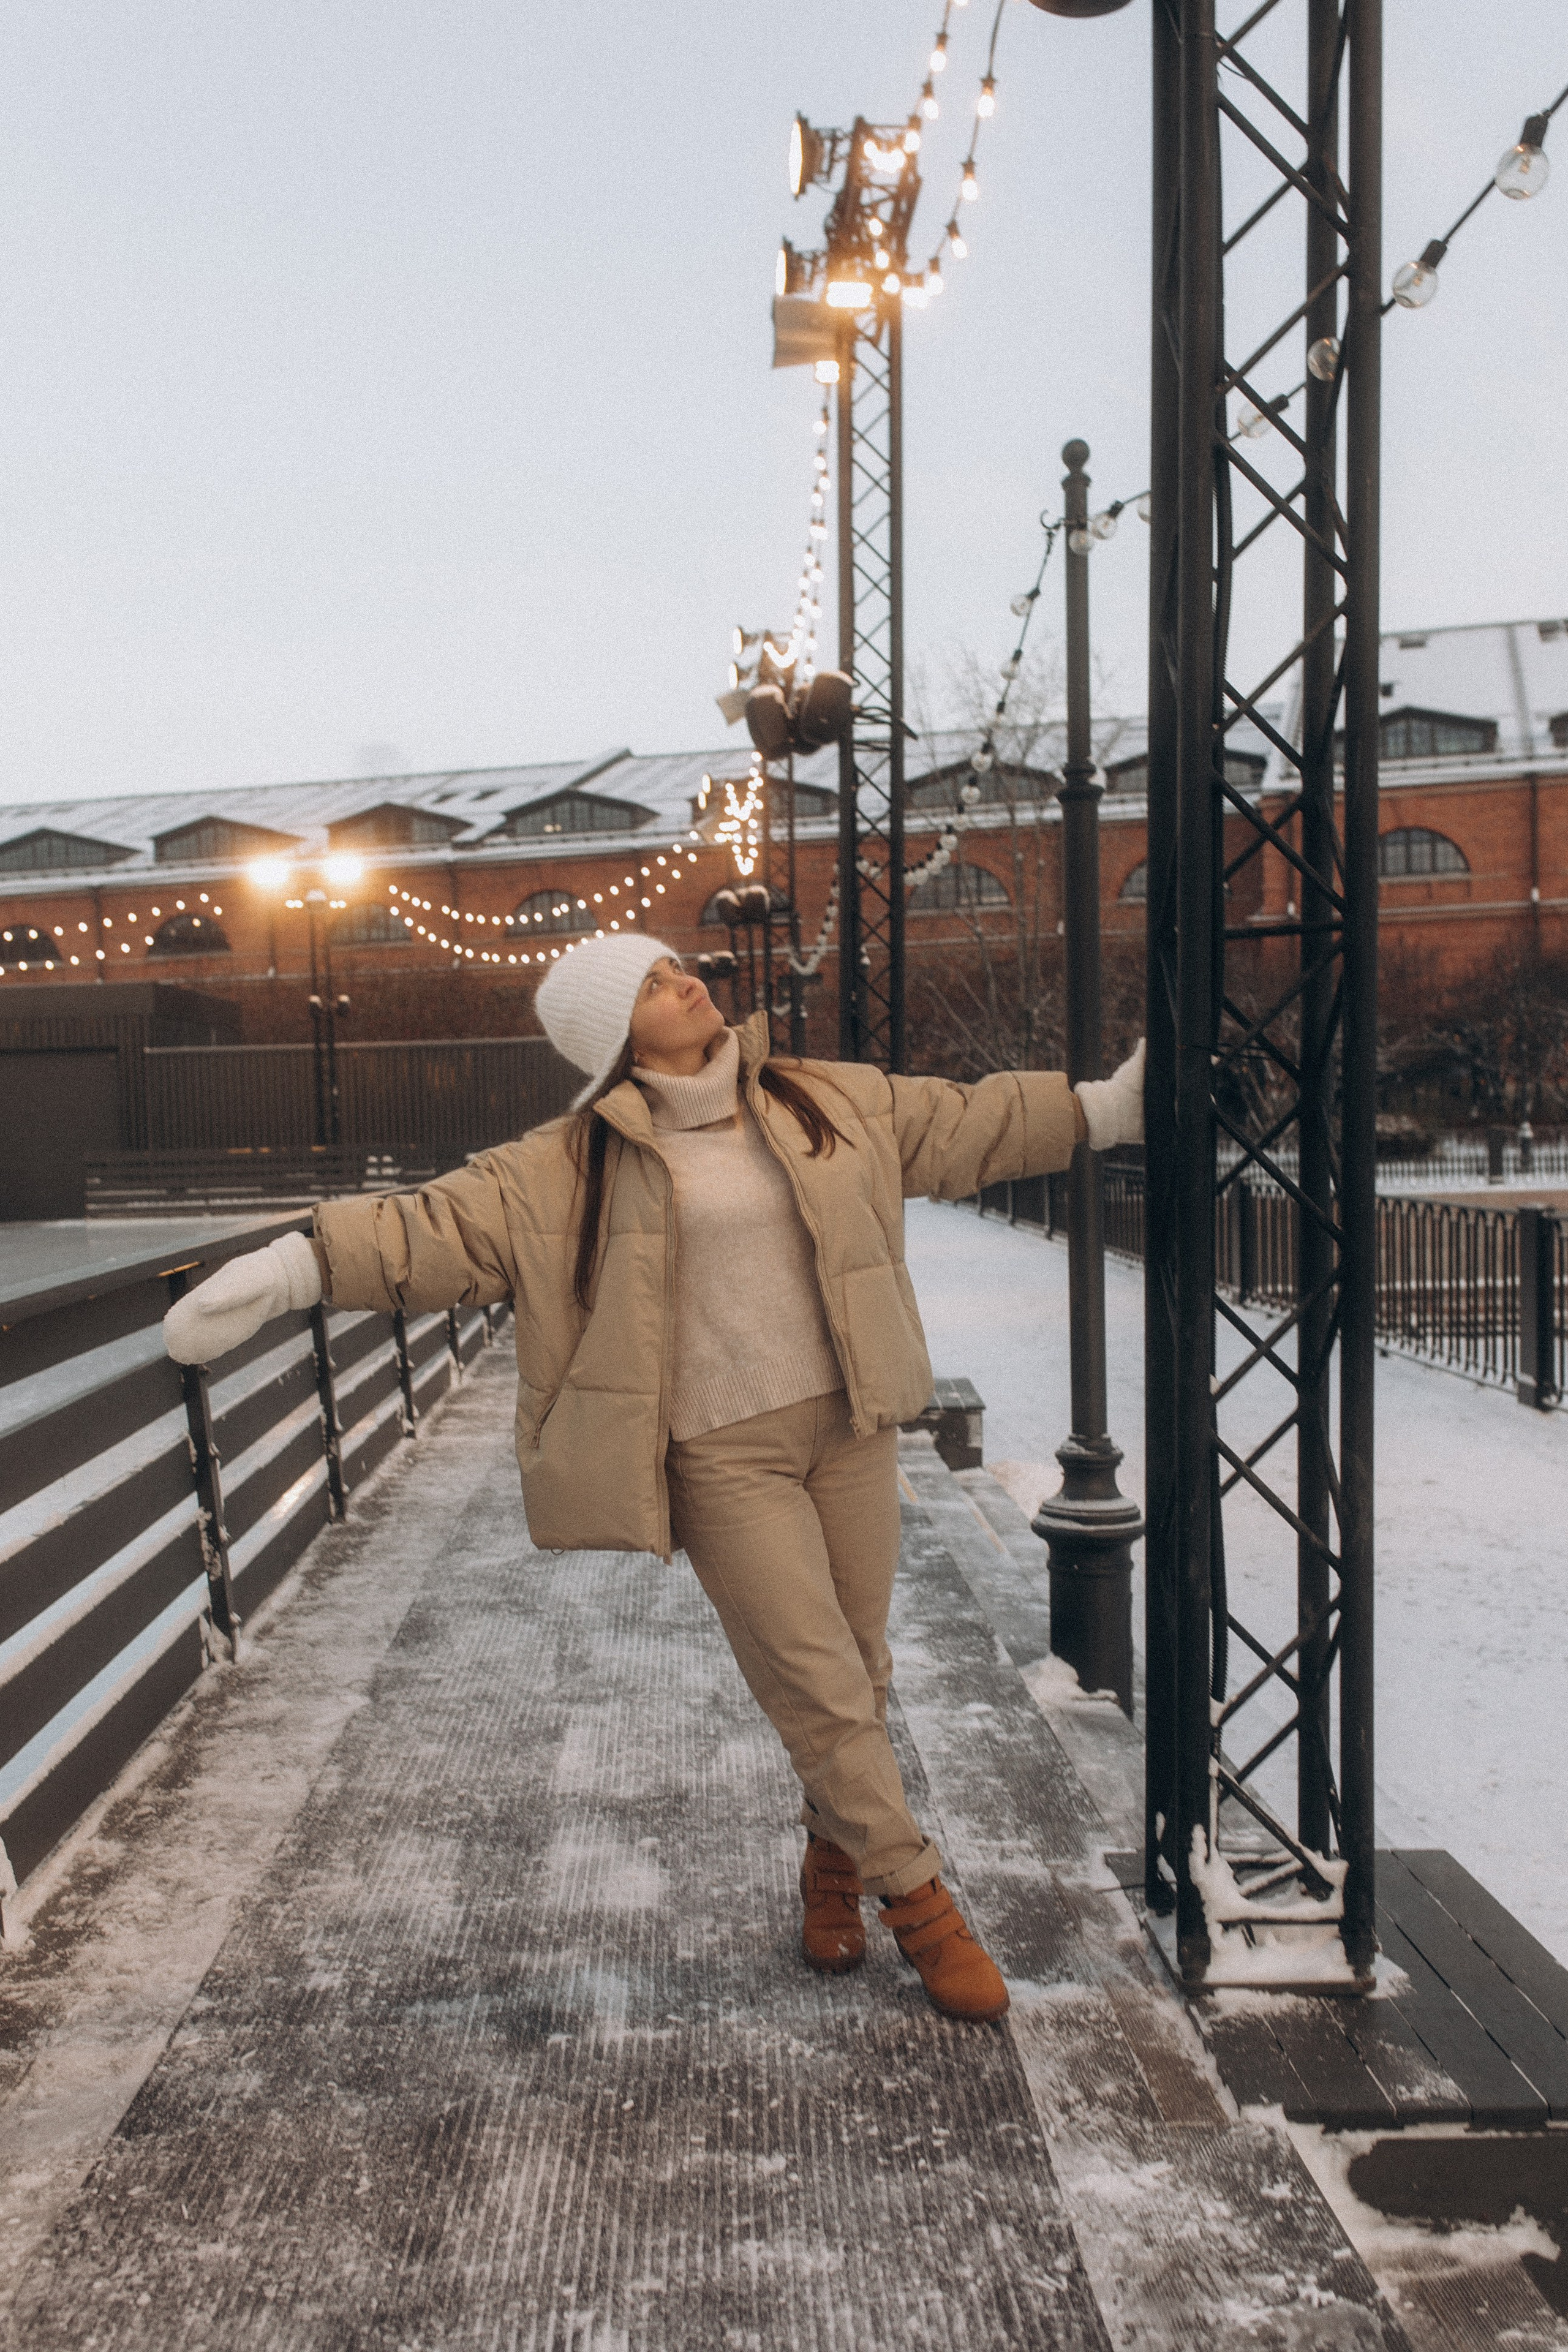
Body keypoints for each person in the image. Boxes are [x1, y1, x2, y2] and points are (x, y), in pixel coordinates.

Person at [165, 933, 1144, 2026]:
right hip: (723, 1456)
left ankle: (833, 1865)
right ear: (612, 1038)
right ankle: (921, 1903)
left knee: (858, 1675)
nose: (685, 979)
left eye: (675, 964)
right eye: (650, 982)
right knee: (818, 1688)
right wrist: (289, 1266)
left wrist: (1104, 1109)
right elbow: (430, 1228)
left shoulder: (822, 1097)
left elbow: (964, 1125)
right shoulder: (568, 1165)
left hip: (850, 1424)